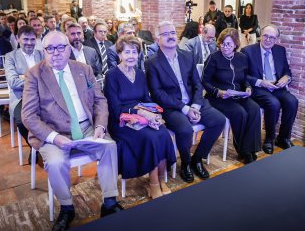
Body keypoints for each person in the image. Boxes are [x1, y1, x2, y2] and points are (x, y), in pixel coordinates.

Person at [21, 31, 123, 230]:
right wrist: (54, 137)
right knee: (57, 162)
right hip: (53, 133)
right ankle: (67, 208)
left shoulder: (83, 69)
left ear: (69, 49)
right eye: (50, 48)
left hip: (86, 128)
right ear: (44, 51)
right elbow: (28, 116)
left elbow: (100, 101)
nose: (56, 53)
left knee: (109, 147)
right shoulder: (34, 75)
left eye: (60, 47)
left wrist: (100, 126)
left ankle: (109, 202)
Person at [145, 21, 226, 183]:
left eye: (173, 33)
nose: (170, 36)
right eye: (165, 34)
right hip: (171, 108)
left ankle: (197, 159)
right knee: (185, 130)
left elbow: (197, 83)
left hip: (194, 103)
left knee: (219, 120)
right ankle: (186, 164)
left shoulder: (187, 56)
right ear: (157, 39)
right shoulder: (152, 63)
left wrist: (195, 105)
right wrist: (185, 109)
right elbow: (157, 94)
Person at [104, 35, 176, 198]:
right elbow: (115, 109)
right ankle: (154, 185)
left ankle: (161, 179)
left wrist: (155, 114)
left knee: (163, 133)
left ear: (138, 54)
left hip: (141, 117)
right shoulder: (112, 75)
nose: (131, 56)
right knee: (150, 138)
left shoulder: (140, 73)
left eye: (134, 52)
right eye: (127, 52)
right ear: (119, 54)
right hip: (121, 122)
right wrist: (141, 112)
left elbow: (146, 99)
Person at [201, 28, 261, 164]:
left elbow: (244, 78)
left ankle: (250, 148)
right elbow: (205, 81)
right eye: (222, 43)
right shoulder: (213, 58)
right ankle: (243, 151)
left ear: (235, 44)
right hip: (218, 97)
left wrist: (248, 87)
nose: (224, 47)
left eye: (228, 44)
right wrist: (218, 92)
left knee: (254, 109)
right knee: (240, 113)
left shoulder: (242, 58)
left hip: (238, 94)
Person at [241, 24, 298, 154]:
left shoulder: (280, 50)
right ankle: (269, 138)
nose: (268, 40)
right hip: (258, 88)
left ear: (276, 39)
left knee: (292, 101)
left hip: (276, 86)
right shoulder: (247, 51)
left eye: (272, 37)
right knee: (273, 104)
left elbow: (286, 70)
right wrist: (261, 82)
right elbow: (242, 76)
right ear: (261, 35)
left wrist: (287, 77)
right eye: (265, 36)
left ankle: (283, 138)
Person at [5, 26, 44, 164]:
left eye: (32, 39)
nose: (29, 43)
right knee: (22, 120)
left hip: (43, 96)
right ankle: (36, 147)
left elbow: (50, 77)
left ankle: (49, 146)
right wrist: (37, 79)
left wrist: (24, 77)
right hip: (21, 97)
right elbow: (13, 82)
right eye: (25, 39)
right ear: (18, 39)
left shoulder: (42, 54)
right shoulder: (11, 57)